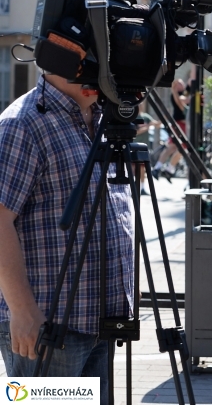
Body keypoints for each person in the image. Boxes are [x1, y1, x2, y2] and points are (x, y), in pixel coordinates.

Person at [0, 74, 134, 403]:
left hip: (99, 318)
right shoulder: (24, 122)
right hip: (46, 326)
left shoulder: (104, 119)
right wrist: (22, 309)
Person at [152, 78, 188, 182]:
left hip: (183, 124)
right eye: (178, 84)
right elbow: (181, 105)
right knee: (175, 147)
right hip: (179, 124)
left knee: (176, 148)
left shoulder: (185, 93)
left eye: (181, 83)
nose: (180, 85)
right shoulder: (176, 95)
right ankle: (163, 168)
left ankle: (164, 169)